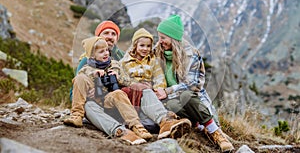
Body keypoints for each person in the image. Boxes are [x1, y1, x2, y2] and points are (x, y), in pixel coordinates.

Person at [154, 15, 234, 152]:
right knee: (172, 104)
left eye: (163, 38)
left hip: (193, 99)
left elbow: (193, 84)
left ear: (173, 38)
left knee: (186, 95)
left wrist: (168, 91)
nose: (160, 41)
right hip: (172, 100)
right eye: (159, 37)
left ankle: (216, 133)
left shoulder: (190, 54)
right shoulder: (157, 51)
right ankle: (196, 125)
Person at [64, 36, 152, 145]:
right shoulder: (86, 68)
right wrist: (95, 76)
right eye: (101, 52)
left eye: (106, 50)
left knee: (119, 93)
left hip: (108, 100)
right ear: (92, 55)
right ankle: (77, 115)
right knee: (79, 78)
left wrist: (117, 77)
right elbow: (79, 83)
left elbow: (130, 83)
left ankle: (137, 126)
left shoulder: (114, 64)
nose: (106, 53)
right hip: (94, 103)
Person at [120, 28, 192, 139]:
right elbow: (121, 78)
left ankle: (166, 126)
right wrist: (136, 84)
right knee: (145, 97)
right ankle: (165, 121)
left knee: (151, 119)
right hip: (132, 94)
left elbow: (159, 78)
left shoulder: (153, 61)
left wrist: (157, 88)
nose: (145, 49)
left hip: (148, 93)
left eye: (148, 46)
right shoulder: (125, 62)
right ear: (135, 46)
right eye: (142, 46)